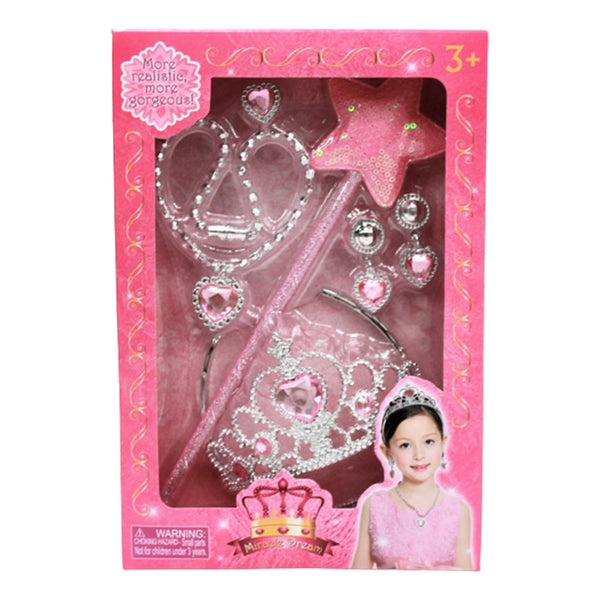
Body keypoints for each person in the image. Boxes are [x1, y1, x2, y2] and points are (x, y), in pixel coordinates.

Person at [352, 376, 472, 570]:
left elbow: (466, 575)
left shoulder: (457, 509)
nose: (419, 455)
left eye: (429, 442)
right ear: (387, 451)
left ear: (443, 441)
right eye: (405, 445)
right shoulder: (375, 505)